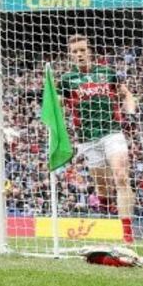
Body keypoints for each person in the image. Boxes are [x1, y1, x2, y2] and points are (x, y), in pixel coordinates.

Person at [59, 34, 137, 243]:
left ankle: (128, 236)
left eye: (82, 50)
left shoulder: (107, 73)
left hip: (111, 131)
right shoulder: (66, 80)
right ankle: (104, 202)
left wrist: (130, 114)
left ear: (90, 51)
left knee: (121, 176)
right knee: (102, 187)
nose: (79, 54)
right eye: (75, 52)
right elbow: (57, 105)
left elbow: (127, 94)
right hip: (87, 138)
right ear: (70, 56)